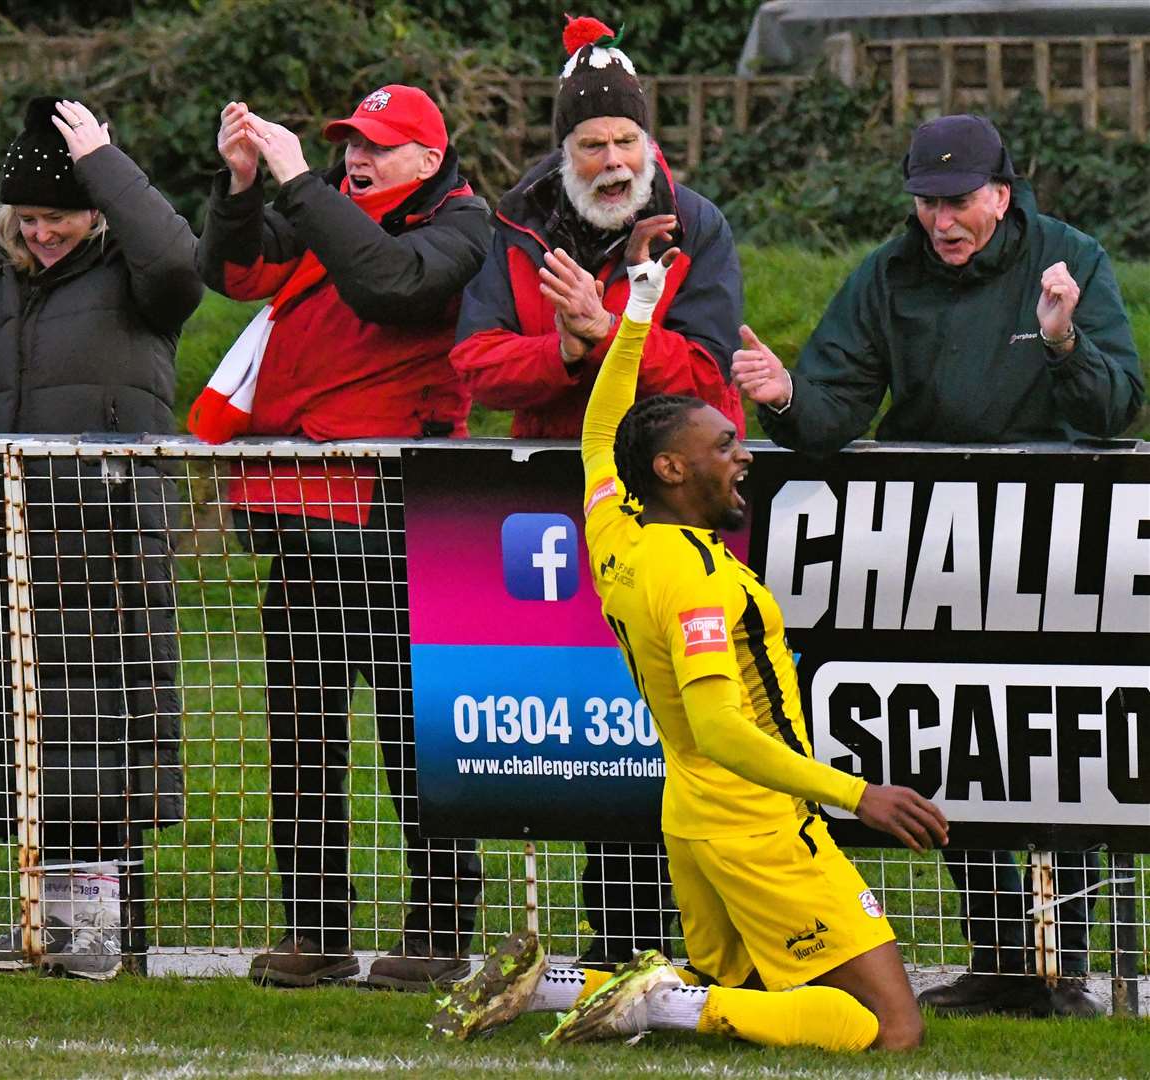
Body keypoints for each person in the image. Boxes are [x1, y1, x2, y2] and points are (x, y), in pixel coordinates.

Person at [429, 217, 949, 1051]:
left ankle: (556, 983)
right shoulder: (693, 576)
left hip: (691, 813)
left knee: (735, 987)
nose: (741, 455)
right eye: (723, 444)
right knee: (891, 1030)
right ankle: (652, 1002)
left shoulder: (618, 533)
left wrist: (636, 310)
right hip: (755, 822)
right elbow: (716, 725)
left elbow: (601, 432)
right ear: (671, 468)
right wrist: (858, 795)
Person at [733, 114, 1144, 1017]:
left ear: (1001, 192)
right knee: (951, 743)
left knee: (1053, 738)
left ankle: (1060, 963)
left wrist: (1063, 340)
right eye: (925, 203)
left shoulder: (1069, 258)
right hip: (930, 545)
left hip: (1054, 544)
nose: (941, 221)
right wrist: (788, 396)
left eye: (957, 202)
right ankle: (1002, 959)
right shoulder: (887, 272)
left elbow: (1116, 407)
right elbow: (835, 402)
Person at [0, 97, 201, 980]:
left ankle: (106, 932)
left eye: (60, 216)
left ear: (97, 207)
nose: (44, 234)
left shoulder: (140, 276)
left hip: (104, 540)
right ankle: (44, 925)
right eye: (30, 218)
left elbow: (180, 257)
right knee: (16, 726)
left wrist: (102, 156)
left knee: (103, 722)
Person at [450, 13, 746, 966]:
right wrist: (568, 346)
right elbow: (476, 364)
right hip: (553, 512)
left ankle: (704, 940)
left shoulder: (698, 223)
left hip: (674, 519)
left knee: (685, 724)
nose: (613, 160)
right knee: (576, 727)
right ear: (563, 149)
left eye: (625, 140)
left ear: (649, 141)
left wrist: (618, 330)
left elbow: (704, 376)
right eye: (592, 144)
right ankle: (609, 944)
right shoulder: (516, 226)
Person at [193, 85, 489, 991]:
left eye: (377, 145)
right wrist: (242, 186)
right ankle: (315, 929)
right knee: (304, 737)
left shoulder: (466, 227)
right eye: (348, 143)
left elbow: (391, 286)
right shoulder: (332, 210)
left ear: (429, 161)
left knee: (415, 738)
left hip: (394, 519)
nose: (354, 157)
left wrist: (298, 184)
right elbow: (233, 271)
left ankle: (438, 930)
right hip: (301, 515)